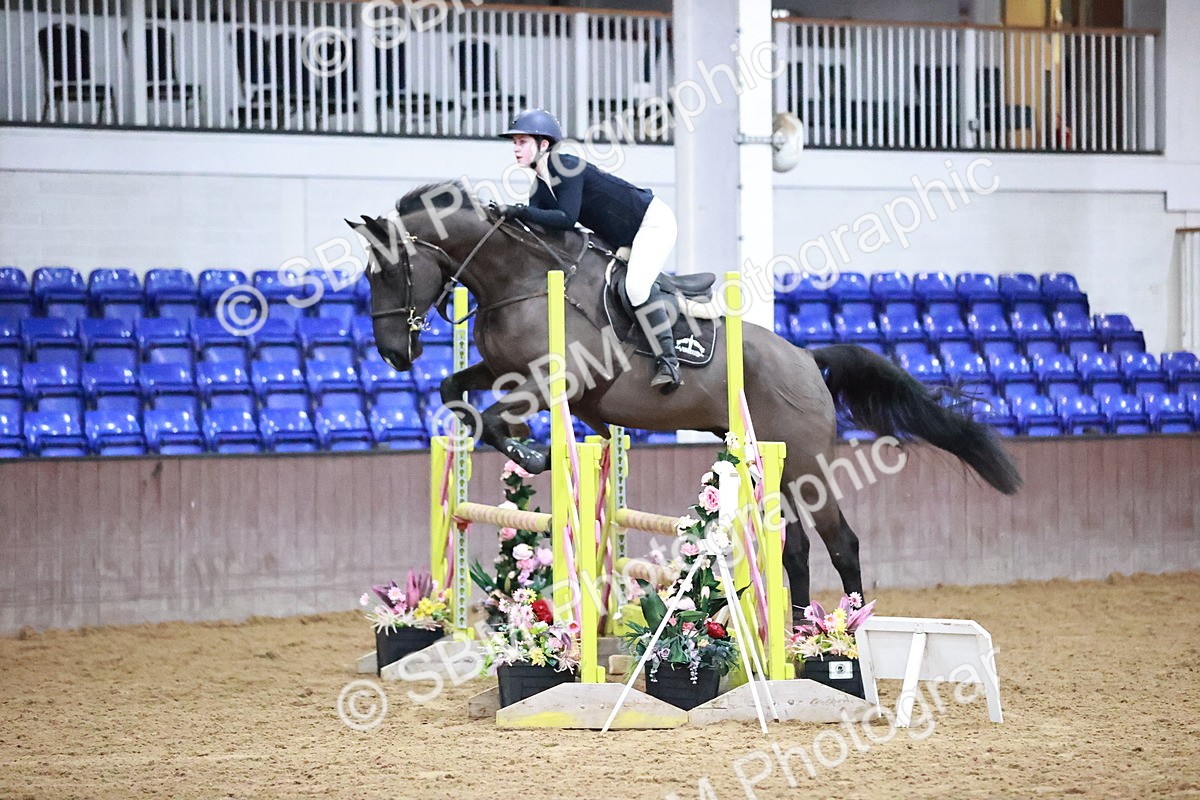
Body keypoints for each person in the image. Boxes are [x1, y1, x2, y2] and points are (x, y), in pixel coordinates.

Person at [497, 108, 682, 394]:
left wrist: (517, 210)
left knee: (635, 288)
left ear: (543, 144)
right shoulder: (540, 187)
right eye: (514, 143)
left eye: (522, 142)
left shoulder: (565, 166)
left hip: (651, 223)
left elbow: (566, 218)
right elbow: (541, 233)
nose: (516, 148)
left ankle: (669, 362)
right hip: (622, 235)